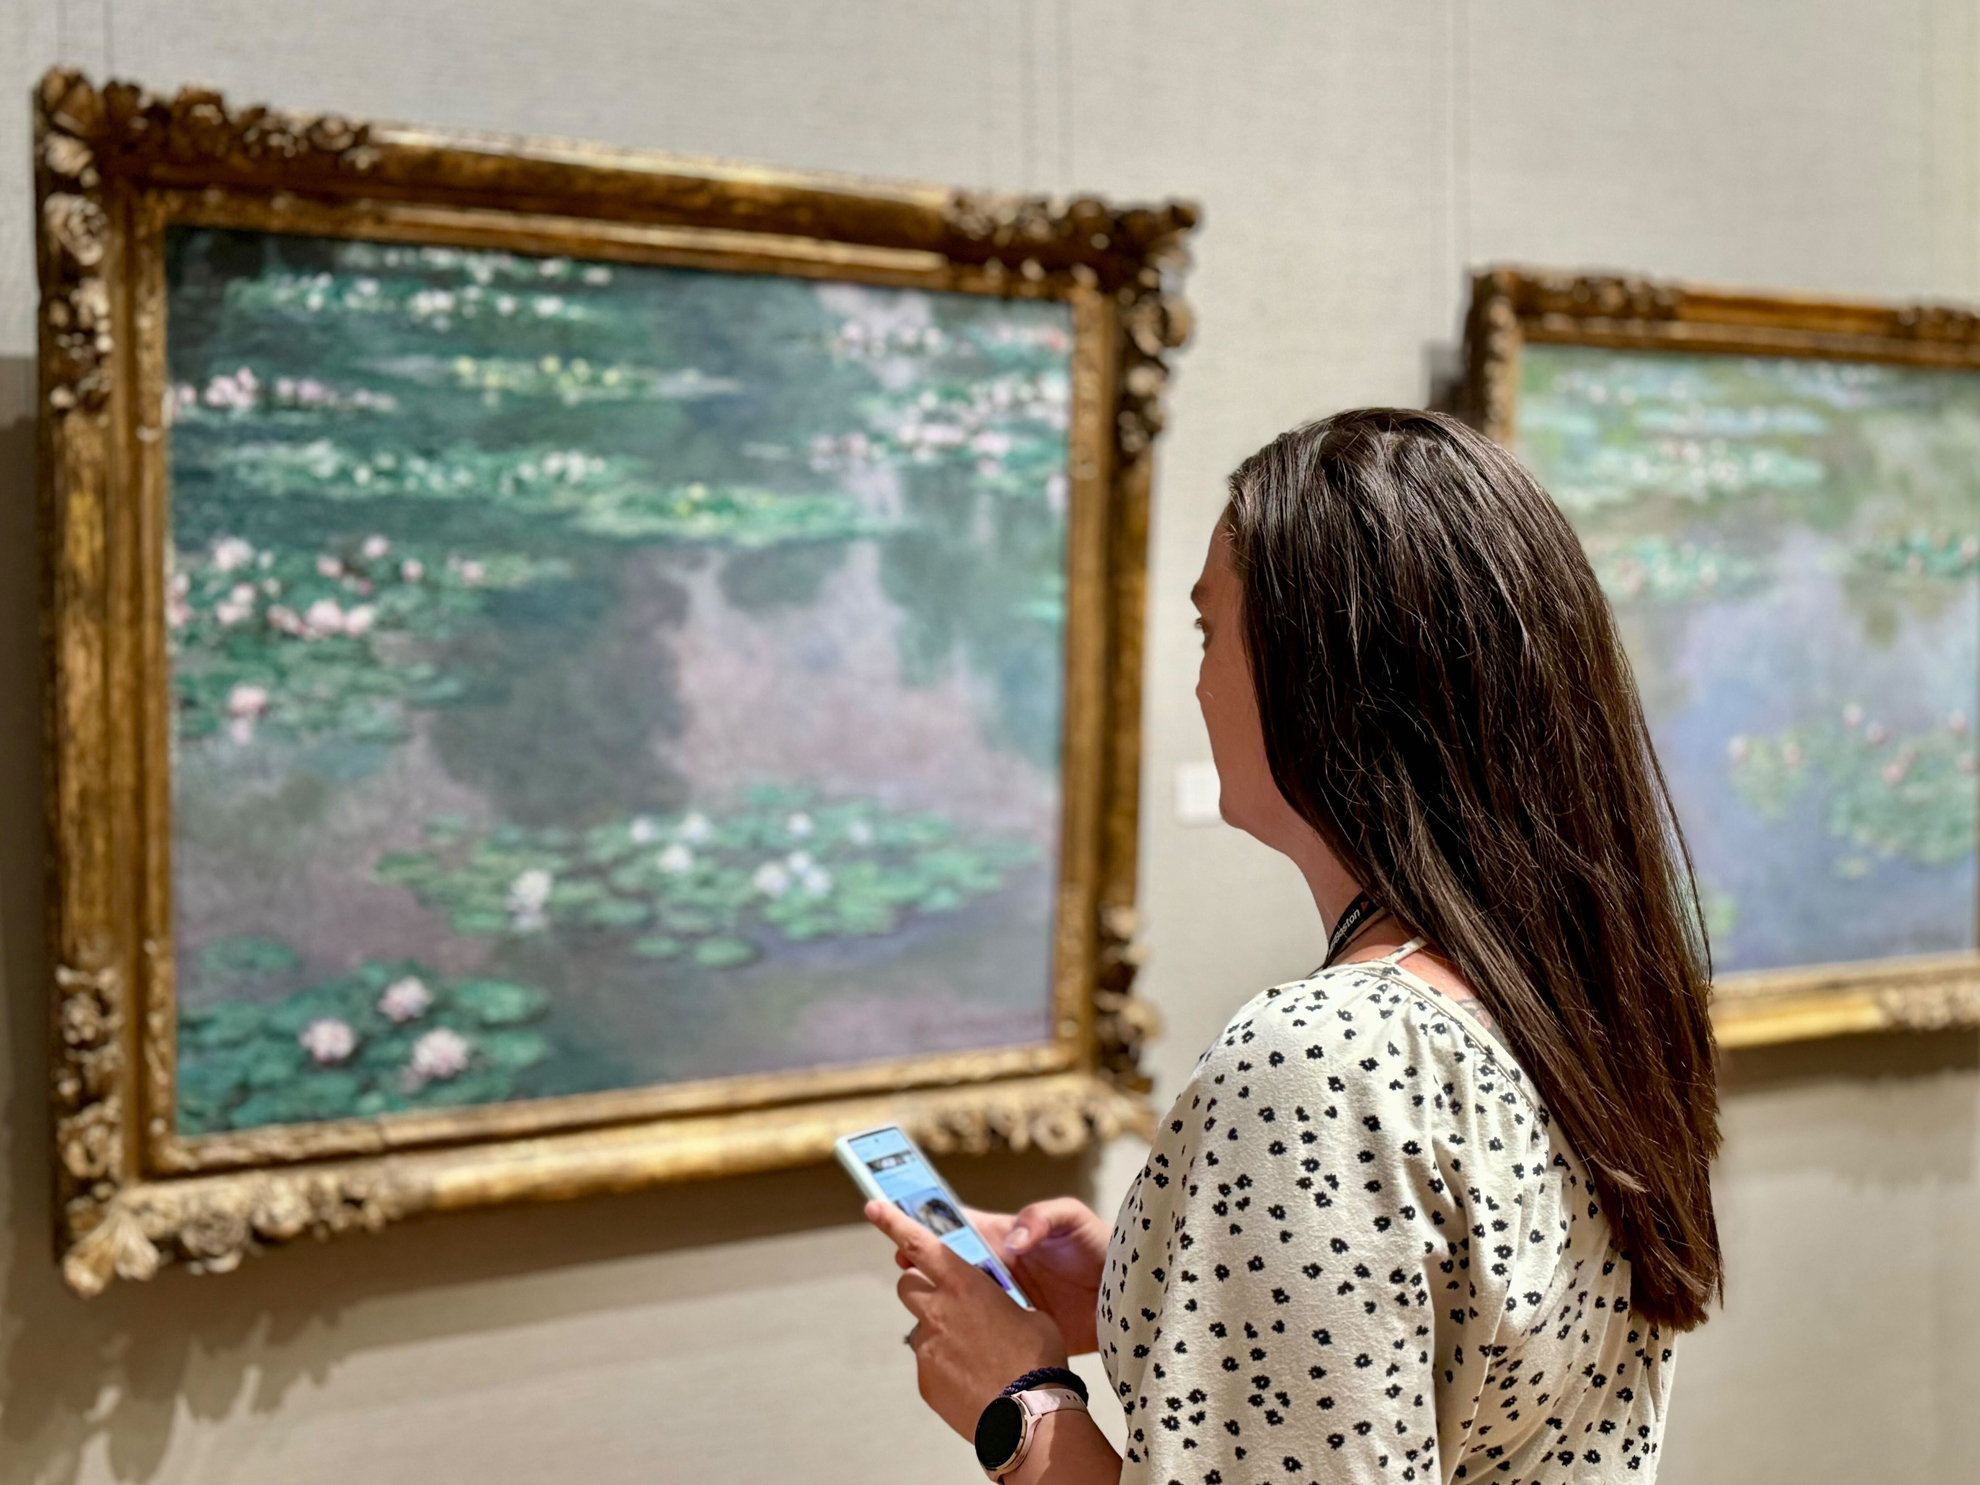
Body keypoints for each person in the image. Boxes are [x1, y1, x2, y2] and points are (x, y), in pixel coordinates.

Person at [864, 408, 1723, 1484]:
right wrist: (1155, 1285)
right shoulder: (1578, 998)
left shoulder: (1325, 1059)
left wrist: (1019, 1407)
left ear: (1325, 669)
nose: (1199, 680)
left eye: (1209, 629)